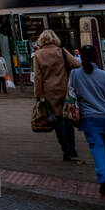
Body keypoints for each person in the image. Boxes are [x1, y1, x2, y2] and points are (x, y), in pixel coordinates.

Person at [68, 44, 105, 194]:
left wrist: (74, 111)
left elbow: (71, 95)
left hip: (89, 118)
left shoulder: (75, 74)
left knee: (97, 148)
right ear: (96, 58)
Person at [32, 29, 81, 162]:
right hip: (65, 89)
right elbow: (76, 64)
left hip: (49, 92)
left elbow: (37, 77)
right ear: (55, 39)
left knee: (57, 120)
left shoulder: (38, 55)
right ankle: (72, 147)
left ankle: (65, 149)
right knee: (68, 118)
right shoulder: (61, 51)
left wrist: (38, 94)